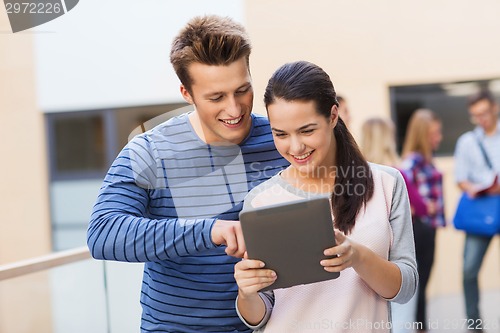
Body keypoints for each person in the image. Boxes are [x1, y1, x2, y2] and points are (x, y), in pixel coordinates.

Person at [87, 15, 288, 333]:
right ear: (186, 93)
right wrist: (208, 231)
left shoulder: (283, 141)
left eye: (242, 90)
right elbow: (104, 234)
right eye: (216, 97)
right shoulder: (150, 151)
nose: (234, 109)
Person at [234, 61, 418, 333]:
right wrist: (247, 293)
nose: (295, 147)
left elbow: (405, 288)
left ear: (333, 116)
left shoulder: (386, 183)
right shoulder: (260, 200)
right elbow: (260, 315)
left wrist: (357, 257)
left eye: (307, 130)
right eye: (280, 134)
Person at [361, 117, 427, 333]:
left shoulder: (353, 175)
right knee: (402, 315)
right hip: (395, 257)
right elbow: (421, 207)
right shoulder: (394, 175)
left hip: (366, 255)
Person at [454, 90, 500, 329]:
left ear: (495, 108)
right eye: (475, 115)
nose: (481, 119)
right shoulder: (467, 142)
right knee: (469, 270)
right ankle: (474, 325)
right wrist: (472, 188)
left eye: (484, 113)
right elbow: (461, 178)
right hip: (481, 210)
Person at [400, 109, 445, 332]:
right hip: (421, 228)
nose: (439, 137)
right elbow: (404, 192)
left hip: (429, 227)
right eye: (435, 133)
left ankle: (420, 326)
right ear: (423, 134)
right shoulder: (412, 162)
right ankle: (419, 327)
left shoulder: (426, 160)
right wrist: (424, 206)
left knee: (423, 282)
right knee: (419, 283)